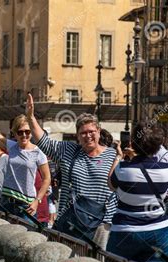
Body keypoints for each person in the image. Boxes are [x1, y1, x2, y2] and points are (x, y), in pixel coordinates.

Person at [27, 94, 114, 246]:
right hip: (71, 222)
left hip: (103, 224)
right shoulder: (69, 151)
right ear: (78, 136)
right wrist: (30, 117)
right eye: (83, 133)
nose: (88, 136)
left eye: (91, 131)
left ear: (99, 131)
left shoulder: (113, 155)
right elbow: (43, 141)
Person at [106, 121, 168, 262]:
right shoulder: (165, 170)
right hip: (158, 231)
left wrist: (119, 157)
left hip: (125, 231)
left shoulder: (123, 169)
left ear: (132, 143)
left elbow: (110, 184)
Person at [0, 90, 50, 220]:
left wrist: (37, 201)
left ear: (31, 133)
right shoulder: (11, 146)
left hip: (26, 204)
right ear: (15, 133)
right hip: (6, 202)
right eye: (20, 132)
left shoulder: (38, 152)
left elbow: (46, 179)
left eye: (27, 131)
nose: (24, 135)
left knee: (26, 238)